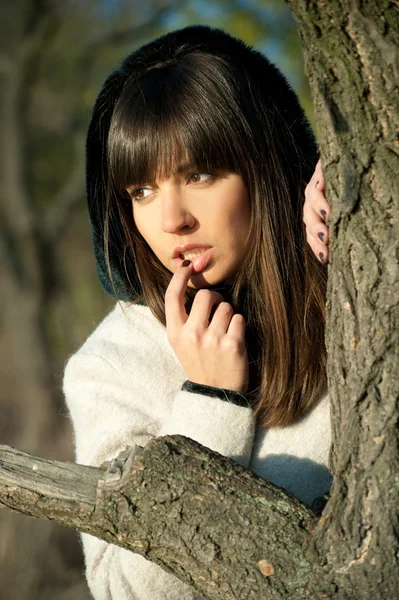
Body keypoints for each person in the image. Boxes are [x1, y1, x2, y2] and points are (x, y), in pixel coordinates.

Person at [63, 24, 331, 600]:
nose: (171, 220)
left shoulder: (348, 297)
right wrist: (211, 404)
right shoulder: (110, 366)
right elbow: (123, 591)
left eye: (200, 174)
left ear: (268, 166)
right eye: (142, 191)